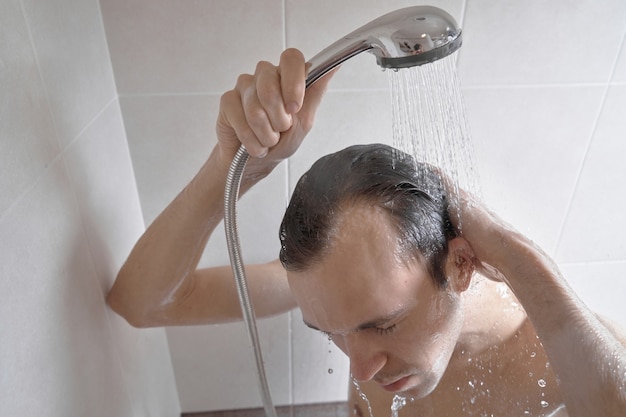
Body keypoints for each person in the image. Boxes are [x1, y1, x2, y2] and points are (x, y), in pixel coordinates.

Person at [107, 49, 626, 417]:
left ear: (462, 265)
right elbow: (145, 302)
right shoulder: (342, 295)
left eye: (384, 325)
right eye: (331, 333)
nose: (359, 370)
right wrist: (229, 169)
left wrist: (513, 253)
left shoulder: (561, 357)